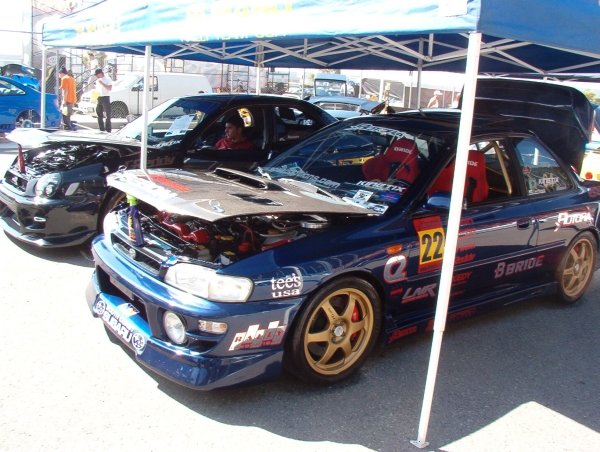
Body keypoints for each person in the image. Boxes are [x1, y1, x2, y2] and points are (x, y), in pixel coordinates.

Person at [94, 68, 113, 132]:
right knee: (99, 113)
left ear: (100, 73)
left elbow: (109, 88)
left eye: (97, 74)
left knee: (108, 114)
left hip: (105, 97)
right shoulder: (97, 80)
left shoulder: (107, 79)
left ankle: (108, 129)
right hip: (99, 97)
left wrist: (102, 83)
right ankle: (101, 128)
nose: (96, 76)